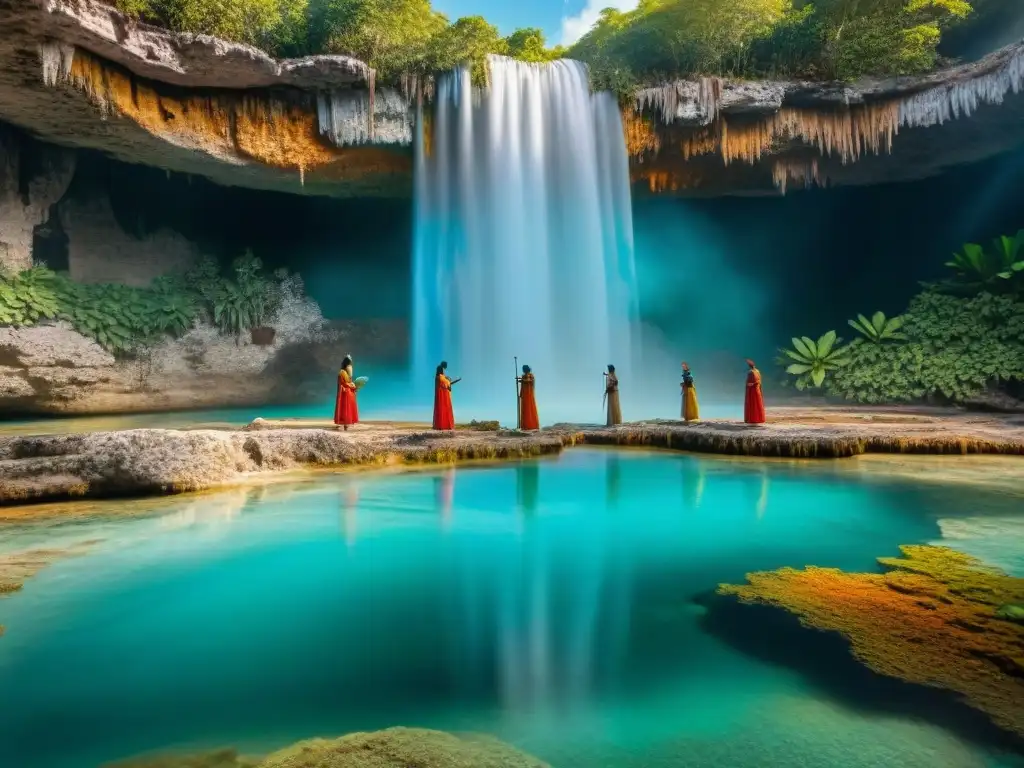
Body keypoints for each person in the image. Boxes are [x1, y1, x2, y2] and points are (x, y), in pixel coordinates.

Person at [333, 355, 358, 430]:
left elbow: (349, 381)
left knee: (348, 407)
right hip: (345, 393)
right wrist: (351, 386)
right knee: (345, 408)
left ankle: (346, 423)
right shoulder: (342, 372)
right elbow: (343, 383)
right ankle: (344, 423)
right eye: (349, 364)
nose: (350, 366)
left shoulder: (347, 372)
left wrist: (353, 385)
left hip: (348, 392)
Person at [433, 361, 458, 430]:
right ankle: (441, 426)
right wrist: (446, 387)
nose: (444, 370)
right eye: (443, 369)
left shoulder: (444, 377)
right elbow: (439, 386)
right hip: (442, 394)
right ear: (441, 369)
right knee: (442, 409)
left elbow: (449, 384)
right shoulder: (439, 377)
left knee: (446, 409)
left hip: (445, 394)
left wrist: (457, 380)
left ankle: (446, 425)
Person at [517, 364, 540, 430]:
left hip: (529, 394)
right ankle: (525, 426)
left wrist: (522, 380)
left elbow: (529, 381)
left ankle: (531, 425)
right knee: (525, 409)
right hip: (525, 394)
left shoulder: (530, 375)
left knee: (529, 408)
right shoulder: (524, 376)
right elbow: (524, 383)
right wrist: (521, 380)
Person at [744, 358, 766, 424]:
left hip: (752, 390)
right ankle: (760, 418)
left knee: (753, 404)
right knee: (758, 403)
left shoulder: (750, 372)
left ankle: (753, 419)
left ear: (749, 366)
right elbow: (759, 381)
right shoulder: (758, 371)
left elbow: (749, 383)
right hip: (757, 389)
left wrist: (748, 385)